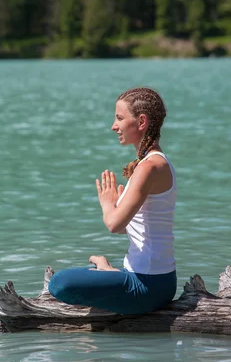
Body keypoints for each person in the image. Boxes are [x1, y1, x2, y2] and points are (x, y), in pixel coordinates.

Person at [48, 87, 177, 315]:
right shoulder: (154, 163)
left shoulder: (149, 167)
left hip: (149, 285)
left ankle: (110, 274)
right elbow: (127, 228)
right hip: (154, 280)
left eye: (119, 118)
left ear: (141, 122)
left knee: (59, 284)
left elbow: (114, 225)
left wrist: (108, 205)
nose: (113, 126)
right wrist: (118, 208)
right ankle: (112, 274)